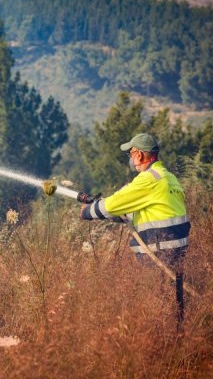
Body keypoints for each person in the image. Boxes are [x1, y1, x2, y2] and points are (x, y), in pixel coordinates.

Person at [80, 133, 191, 322]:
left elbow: (112, 204)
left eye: (130, 154)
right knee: (176, 311)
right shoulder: (168, 177)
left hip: (159, 256)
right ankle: (178, 344)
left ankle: (164, 347)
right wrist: (111, 213)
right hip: (177, 255)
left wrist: (87, 211)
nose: (130, 159)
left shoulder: (148, 179)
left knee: (158, 312)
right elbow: (140, 214)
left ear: (139, 155)